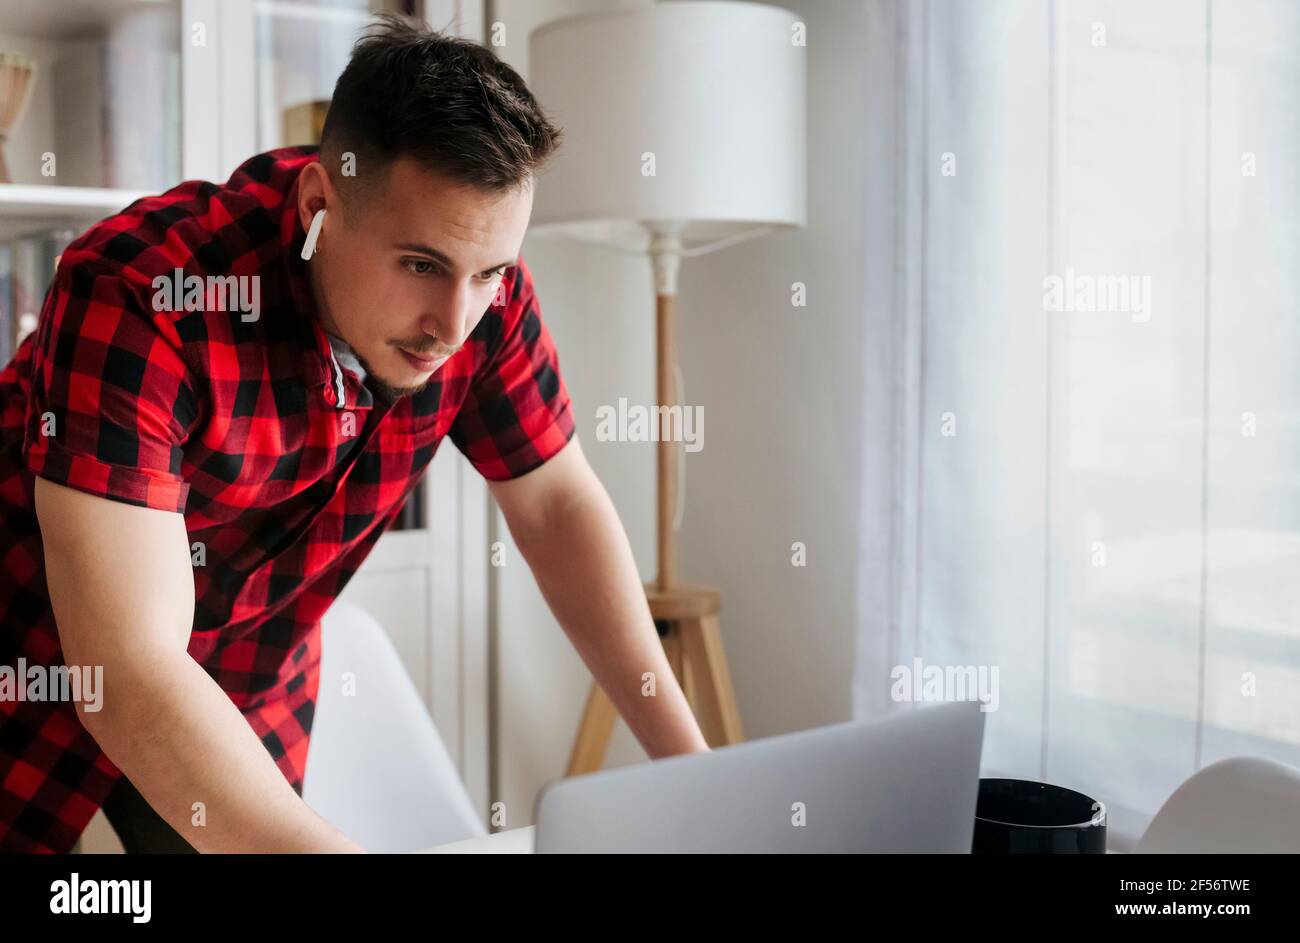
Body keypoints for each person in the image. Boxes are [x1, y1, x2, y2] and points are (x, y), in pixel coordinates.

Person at [0, 15, 708, 854]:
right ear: (317, 208)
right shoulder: (143, 290)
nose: (454, 323)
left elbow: (555, 505)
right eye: (420, 265)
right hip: (32, 648)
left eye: (489, 272)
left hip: (248, 678)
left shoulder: (482, 301)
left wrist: (696, 778)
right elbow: (127, 670)